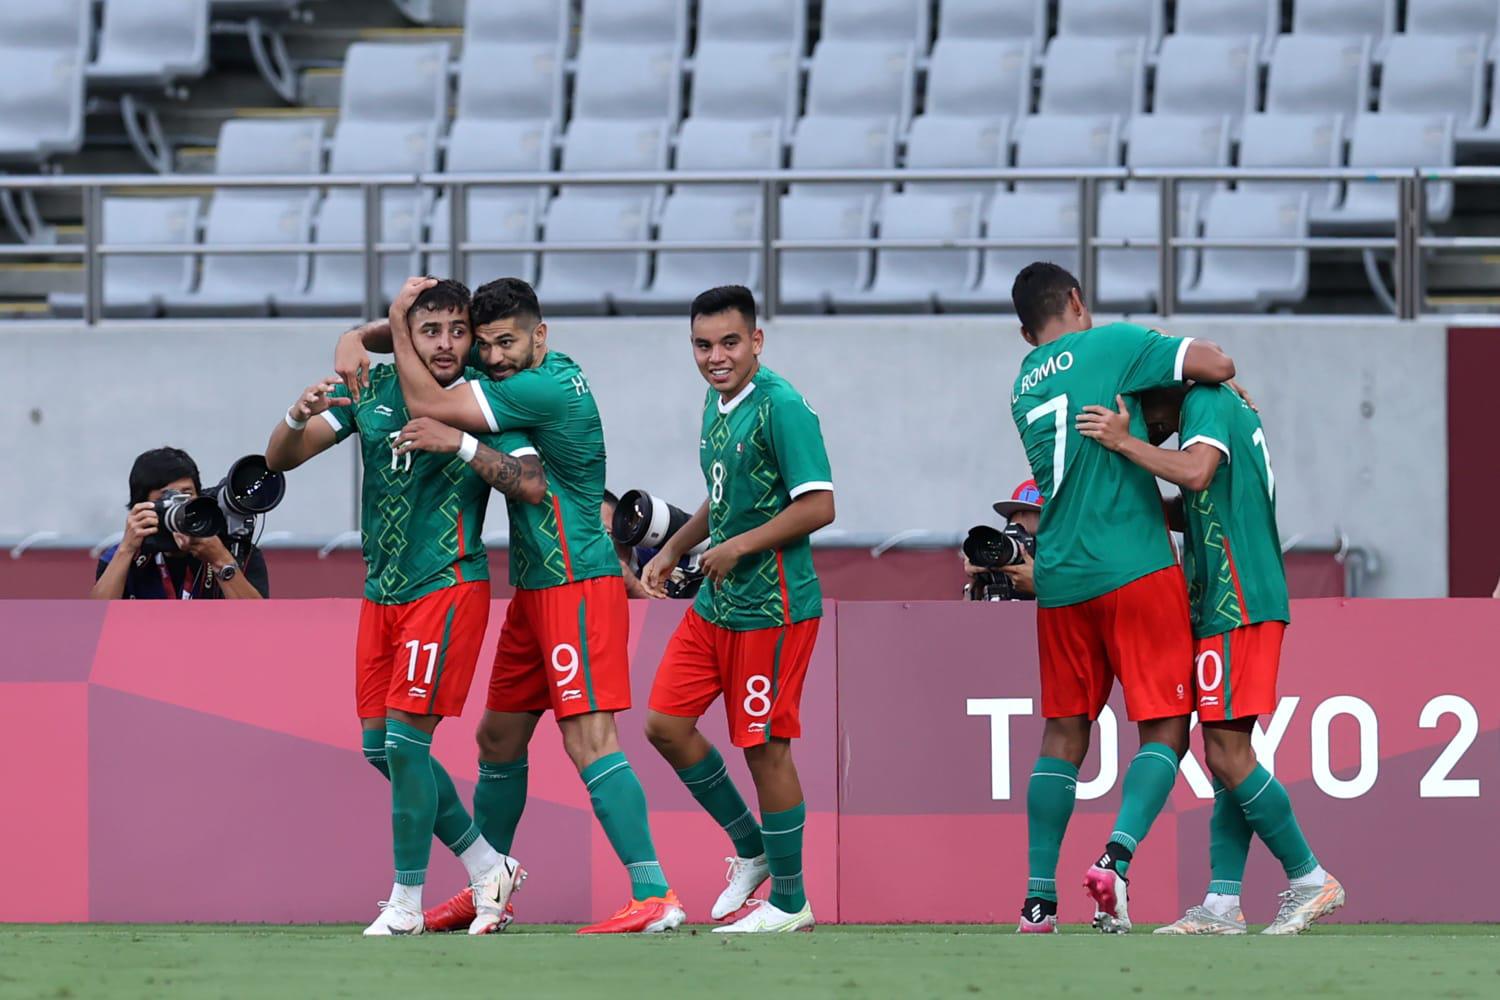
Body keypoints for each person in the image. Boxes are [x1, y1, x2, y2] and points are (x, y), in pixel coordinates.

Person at [347, 275, 681, 935]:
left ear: (541, 336)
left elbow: (426, 399)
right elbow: (433, 345)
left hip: (576, 584)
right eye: (488, 344)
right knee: (497, 739)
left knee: (589, 739)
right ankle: (486, 885)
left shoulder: (544, 384)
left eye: (507, 342)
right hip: (533, 591)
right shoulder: (512, 371)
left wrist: (389, 325)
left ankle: (655, 893)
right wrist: (357, 337)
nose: (493, 356)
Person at [264, 278, 533, 936]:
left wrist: (463, 444)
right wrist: (297, 417)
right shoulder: (373, 389)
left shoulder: (483, 395)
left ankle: (405, 901)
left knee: (408, 742)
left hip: (447, 584)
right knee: (379, 749)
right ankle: (487, 864)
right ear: (407, 337)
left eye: (457, 331)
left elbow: (528, 480)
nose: (445, 344)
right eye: (429, 330)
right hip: (381, 592)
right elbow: (278, 460)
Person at [1007, 262, 1237, 934]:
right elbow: (1218, 364)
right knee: (1166, 726)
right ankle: (1116, 860)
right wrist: (1179, 365)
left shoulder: (1022, 383)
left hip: (1062, 576)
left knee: (1063, 731)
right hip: (1133, 567)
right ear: (1077, 299)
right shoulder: (1113, 342)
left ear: (1027, 333)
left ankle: (1037, 900)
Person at [1076, 386, 1344, 935]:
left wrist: (1126, 445)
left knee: (1225, 752)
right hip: (1226, 598)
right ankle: (1222, 903)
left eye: (1144, 418)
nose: (1150, 432)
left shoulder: (1206, 403)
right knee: (1226, 753)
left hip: (1236, 598)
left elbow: (1196, 473)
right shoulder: (1219, 406)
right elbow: (1196, 504)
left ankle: (1310, 878)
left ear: (1160, 396)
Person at [639, 285, 835, 934]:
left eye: (729, 342)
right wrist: (675, 547)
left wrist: (738, 547)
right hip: (720, 606)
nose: (715, 357)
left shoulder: (782, 408)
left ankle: (790, 901)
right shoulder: (717, 402)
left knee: (765, 751)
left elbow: (819, 505)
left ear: (757, 339)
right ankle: (752, 848)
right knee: (664, 724)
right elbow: (722, 496)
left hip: (773, 610)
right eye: (702, 345)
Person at [92, 447, 268, 600]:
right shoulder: (123, 556)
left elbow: (259, 623)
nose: (180, 506)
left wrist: (220, 560)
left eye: (187, 494)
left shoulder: (236, 552)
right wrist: (127, 549)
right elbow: (96, 621)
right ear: (142, 506)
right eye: (167, 497)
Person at [962, 479, 1042, 599]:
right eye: (1012, 537)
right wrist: (976, 584)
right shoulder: (998, 566)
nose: (1020, 546)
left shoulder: (1070, 577)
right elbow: (963, 617)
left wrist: (1041, 586)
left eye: (1028, 540)